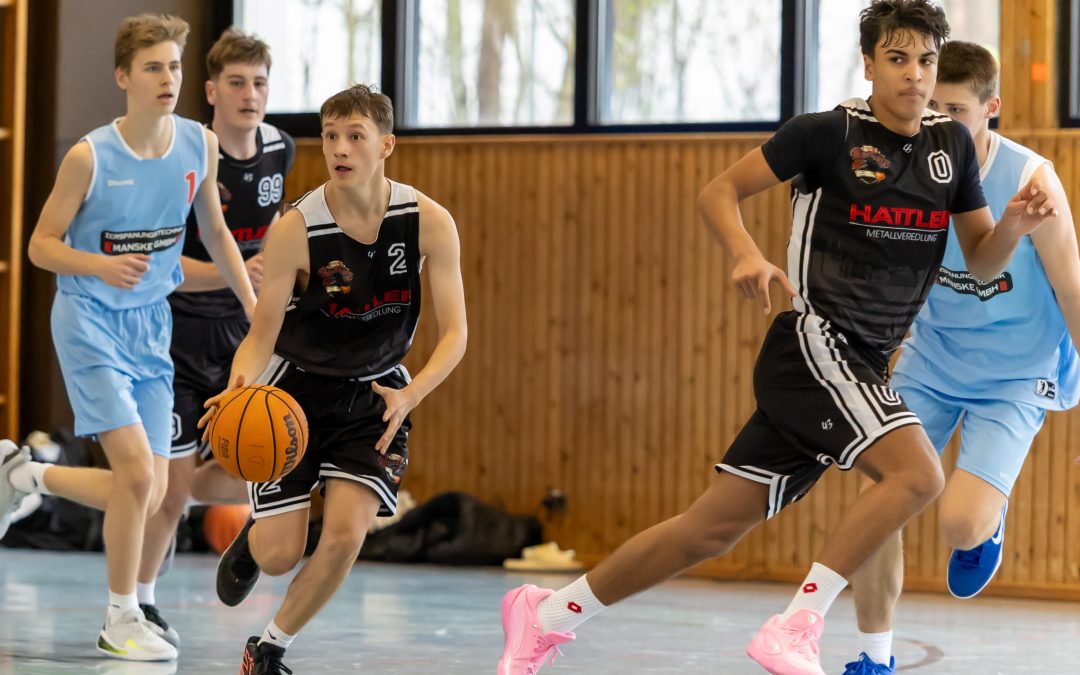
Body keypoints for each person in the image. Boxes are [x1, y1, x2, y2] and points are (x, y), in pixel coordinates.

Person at [496, 2, 1059, 674]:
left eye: (926, 60)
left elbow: (983, 254)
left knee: (709, 527)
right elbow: (718, 191)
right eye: (899, 59)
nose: (914, 75)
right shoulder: (827, 134)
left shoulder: (949, 149)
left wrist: (1017, 227)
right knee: (917, 474)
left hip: (862, 367)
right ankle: (799, 623)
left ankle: (546, 613)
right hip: (817, 345)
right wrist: (744, 253)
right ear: (870, 64)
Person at [0, 13, 256, 662]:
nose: (167, 78)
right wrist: (99, 264)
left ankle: (26, 475)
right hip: (89, 319)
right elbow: (38, 247)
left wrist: (257, 311)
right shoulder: (90, 155)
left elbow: (219, 234)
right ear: (123, 77)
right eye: (152, 67)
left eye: (174, 66)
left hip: (151, 326)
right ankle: (119, 617)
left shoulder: (199, 144)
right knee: (139, 475)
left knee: (148, 487)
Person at [204, 83, 467, 675]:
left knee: (347, 535)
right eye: (330, 136)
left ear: (386, 145)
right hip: (292, 390)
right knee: (279, 556)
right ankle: (254, 540)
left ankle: (267, 649)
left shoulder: (429, 222)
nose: (340, 149)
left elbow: (456, 335)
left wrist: (410, 394)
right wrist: (237, 385)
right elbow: (260, 335)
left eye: (355, 136)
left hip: (377, 393)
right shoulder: (297, 227)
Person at [844, 41, 1080, 675]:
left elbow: (1072, 289)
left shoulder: (1033, 180)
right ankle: (874, 655)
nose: (937, 122)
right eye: (930, 107)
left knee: (960, 528)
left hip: (1015, 374)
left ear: (991, 108)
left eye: (955, 109)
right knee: (877, 501)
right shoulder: (904, 171)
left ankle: (987, 524)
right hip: (934, 360)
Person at [132, 27, 295, 648]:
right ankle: (141, 601)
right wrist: (234, 272)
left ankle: (174, 523)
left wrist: (269, 267)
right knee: (163, 490)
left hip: (242, 331)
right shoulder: (184, 153)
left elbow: (272, 221)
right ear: (211, 90)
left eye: (259, 83)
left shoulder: (280, 146)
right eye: (236, 83)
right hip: (175, 329)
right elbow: (160, 260)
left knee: (266, 458)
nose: (250, 94)